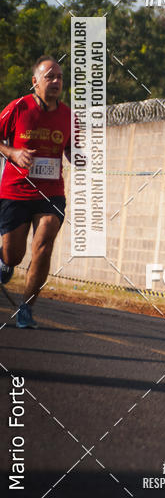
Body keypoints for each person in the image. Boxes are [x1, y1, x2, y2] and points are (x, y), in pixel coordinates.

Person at [0, 56, 71, 328]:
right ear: (35, 82)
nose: (55, 82)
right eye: (49, 77)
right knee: (14, 255)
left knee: (44, 242)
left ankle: (26, 308)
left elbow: (70, 147)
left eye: (59, 78)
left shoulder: (67, 115)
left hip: (51, 193)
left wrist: (78, 156)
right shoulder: (19, 107)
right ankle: (4, 261)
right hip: (16, 192)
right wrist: (13, 152)